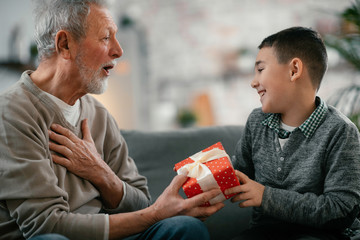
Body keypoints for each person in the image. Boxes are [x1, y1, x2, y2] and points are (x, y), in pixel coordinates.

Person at [0, 0, 224, 239]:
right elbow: (45, 225)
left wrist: (100, 173)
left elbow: (140, 202)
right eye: (106, 37)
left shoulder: (99, 114)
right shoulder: (12, 113)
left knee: (186, 229)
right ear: (65, 44)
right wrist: (155, 214)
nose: (118, 50)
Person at [225, 27, 360, 240]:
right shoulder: (257, 122)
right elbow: (240, 173)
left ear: (294, 70)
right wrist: (208, 176)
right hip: (265, 232)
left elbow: (340, 209)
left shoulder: (340, 131)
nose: (253, 82)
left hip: (320, 235)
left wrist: (266, 196)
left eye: (260, 70)